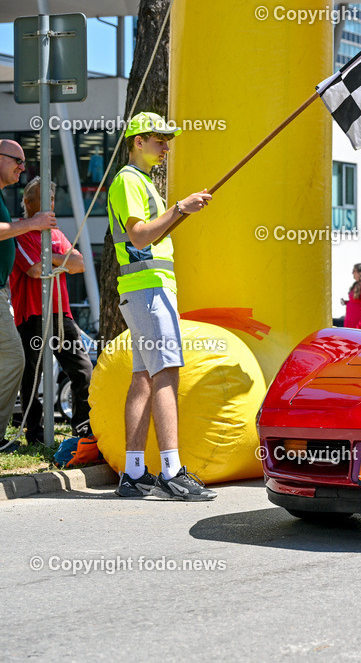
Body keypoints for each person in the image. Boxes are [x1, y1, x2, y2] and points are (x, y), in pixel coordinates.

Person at [108, 112, 216, 500]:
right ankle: (172, 471)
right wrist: (180, 209)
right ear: (138, 141)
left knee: (144, 377)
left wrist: (177, 212)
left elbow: (145, 236)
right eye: (159, 139)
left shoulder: (137, 182)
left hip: (143, 289)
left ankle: (134, 473)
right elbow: (139, 237)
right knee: (166, 371)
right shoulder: (129, 180)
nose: (166, 146)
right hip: (150, 290)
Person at [10, 177, 93, 444]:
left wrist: (51, 259)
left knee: (83, 370)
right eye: (43, 198)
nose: (51, 204)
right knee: (32, 377)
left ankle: (82, 429)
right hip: (31, 314)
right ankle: (34, 435)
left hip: (61, 313)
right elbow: (34, 270)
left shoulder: (57, 234)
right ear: (28, 202)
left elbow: (80, 264)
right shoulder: (19, 232)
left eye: (53, 199)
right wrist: (61, 260)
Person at [0, 140, 58, 453]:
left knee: (13, 360)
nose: (22, 167)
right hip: (19, 306)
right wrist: (30, 224)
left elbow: (75, 263)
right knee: (16, 360)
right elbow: (36, 269)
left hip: (4, 294)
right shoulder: (25, 222)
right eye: (17, 161)